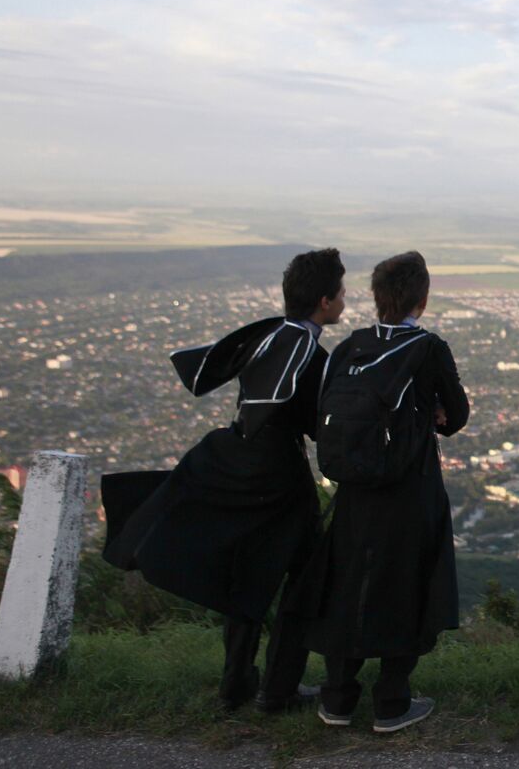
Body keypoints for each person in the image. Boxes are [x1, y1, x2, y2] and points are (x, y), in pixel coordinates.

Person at [100, 248, 347, 711]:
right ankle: (278, 689)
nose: (345, 300)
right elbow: (316, 425)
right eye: (342, 293)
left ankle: (236, 683)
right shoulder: (310, 355)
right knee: (303, 580)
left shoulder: (268, 336)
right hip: (281, 475)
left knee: (245, 577)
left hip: (236, 459)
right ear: (325, 301)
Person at [287, 250, 468, 733]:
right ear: (421, 300)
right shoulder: (427, 349)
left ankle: (337, 699)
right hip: (410, 489)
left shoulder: (350, 348)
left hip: (356, 490)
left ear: (376, 297)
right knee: (406, 584)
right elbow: (459, 415)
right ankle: (391, 702)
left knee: (348, 582)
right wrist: (432, 414)